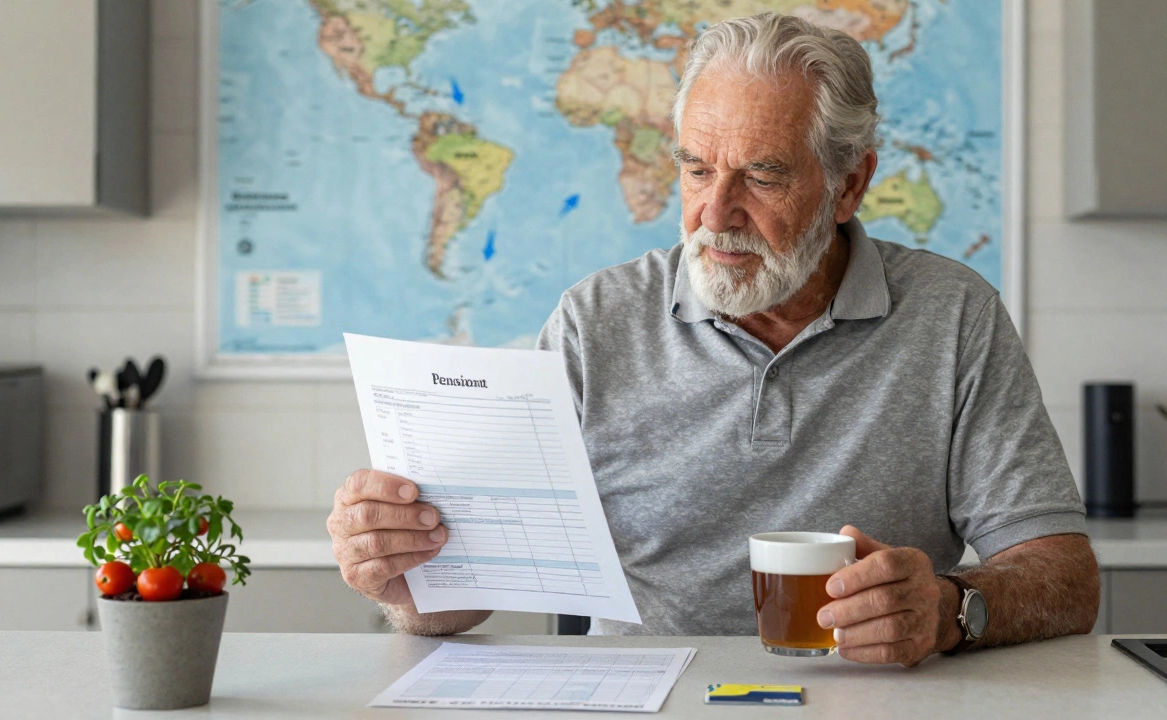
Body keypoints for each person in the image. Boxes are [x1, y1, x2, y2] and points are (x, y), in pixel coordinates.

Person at [327, 13, 1099, 666]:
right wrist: (407, 581)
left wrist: (948, 608)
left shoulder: (952, 314)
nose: (715, 213)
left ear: (850, 185)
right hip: (639, 702)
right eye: (697, 170)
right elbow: (468, 590)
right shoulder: (593, 324)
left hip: (869, 706)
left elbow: (1066, 577)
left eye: (762, 177)